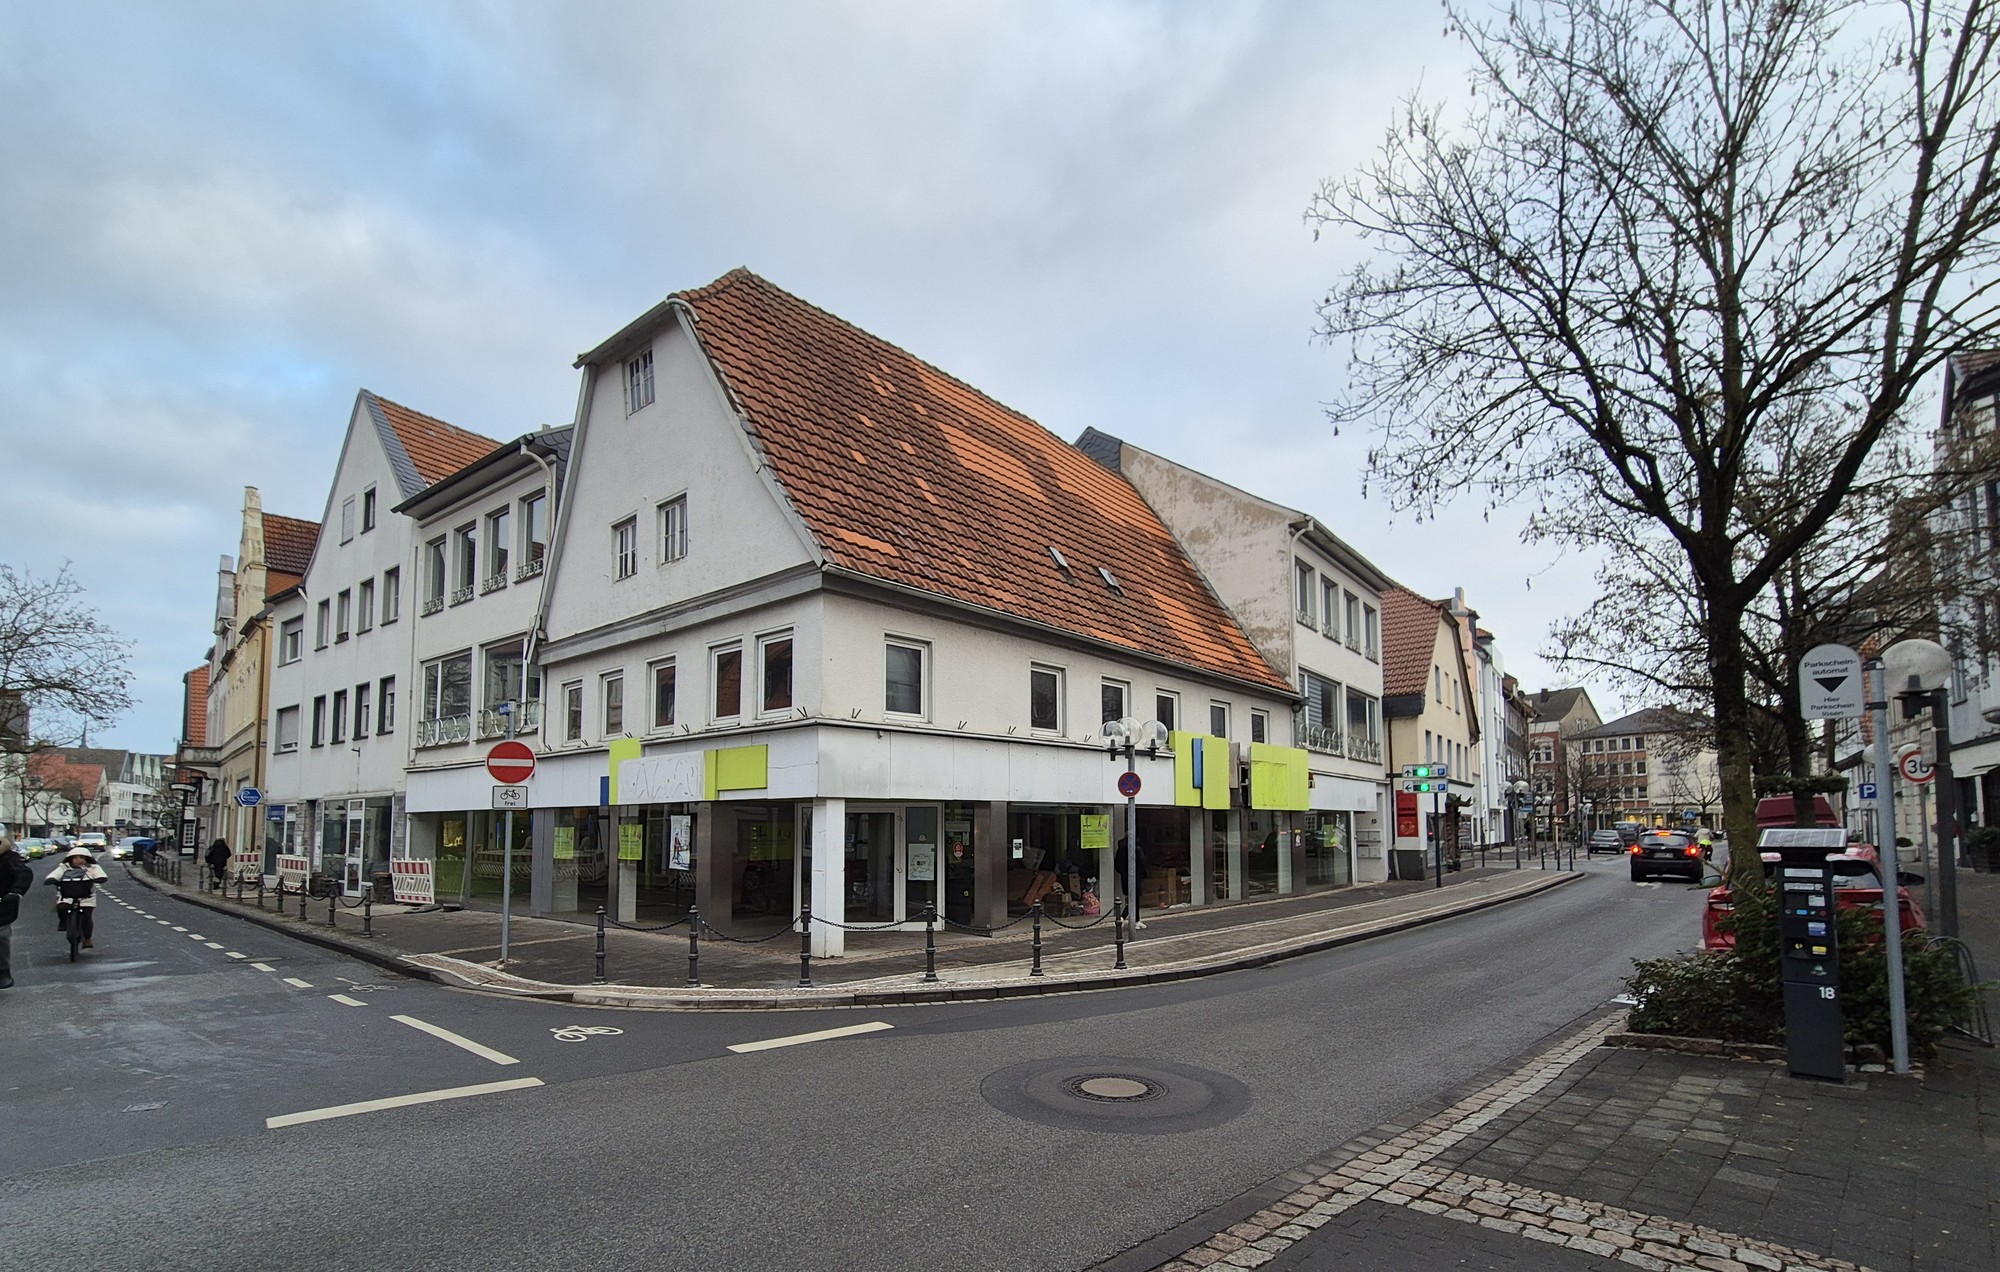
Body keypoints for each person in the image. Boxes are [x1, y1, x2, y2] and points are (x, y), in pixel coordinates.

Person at [44, 844, 108, 949]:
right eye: (75, 858)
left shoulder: (92, 868)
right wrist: (51, 879)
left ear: (87, 859)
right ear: (70, 859)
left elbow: (100, 874)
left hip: (87, 897)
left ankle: (87, 939)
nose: (78, 860)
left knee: (87, 917)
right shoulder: (64, 867)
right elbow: (55, 874)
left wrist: (100, 878)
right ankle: (64, 922)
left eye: (81, 857)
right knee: (61, 907)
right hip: (67, 896)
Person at [1, 836, 35, 988]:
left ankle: (2, 972)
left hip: (2, 906)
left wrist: (16, 891)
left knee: (1, 935)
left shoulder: (8, 858)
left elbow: (24, 873)